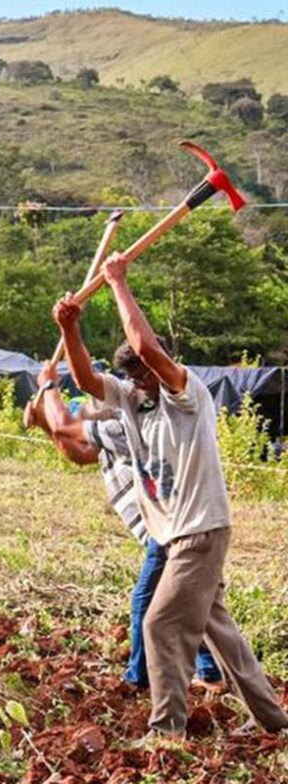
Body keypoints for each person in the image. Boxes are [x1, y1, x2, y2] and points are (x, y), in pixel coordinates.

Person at [54, 250, 288, 738]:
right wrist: (69, 328)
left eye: (146, 372)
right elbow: (84, 379)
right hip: (175, 533)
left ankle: (166, 733)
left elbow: (145, 344)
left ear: (161, 367)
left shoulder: (186, 393)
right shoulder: (131, 399)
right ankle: (272, 720)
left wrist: (117, 282)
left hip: (199, 529)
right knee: (217, 630)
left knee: (159, 623)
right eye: (134, 376)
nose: (141, 382)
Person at [24, 361, 224, 695]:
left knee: (146, 600)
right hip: (169, 525)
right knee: (190, 599)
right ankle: (211, 671)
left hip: (170, 526)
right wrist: (45, 424)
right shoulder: (108, 433)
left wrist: (48, 388)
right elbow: (77, 453)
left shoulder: (122, 424)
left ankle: (139, 678)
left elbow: (67, 427)